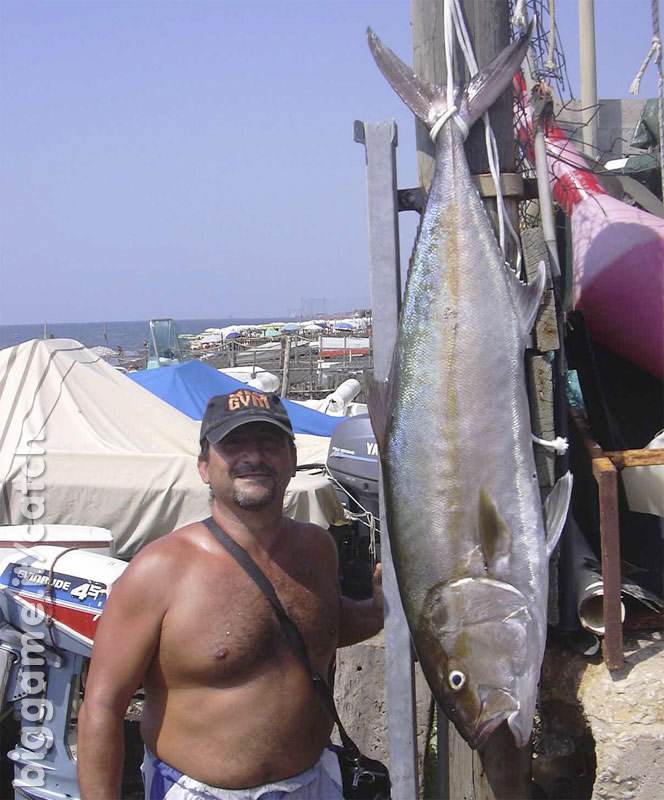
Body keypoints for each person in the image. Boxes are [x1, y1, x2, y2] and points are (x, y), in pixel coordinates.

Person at [77, 390, 384, 800]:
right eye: (234, 444)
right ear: (204, 466)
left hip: (315, 783)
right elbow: (102, 708)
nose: (253, 456)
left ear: (292, 459)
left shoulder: (318, 549)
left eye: (269, 442)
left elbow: (319, 628)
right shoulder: (158, 571)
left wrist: (379, 610)